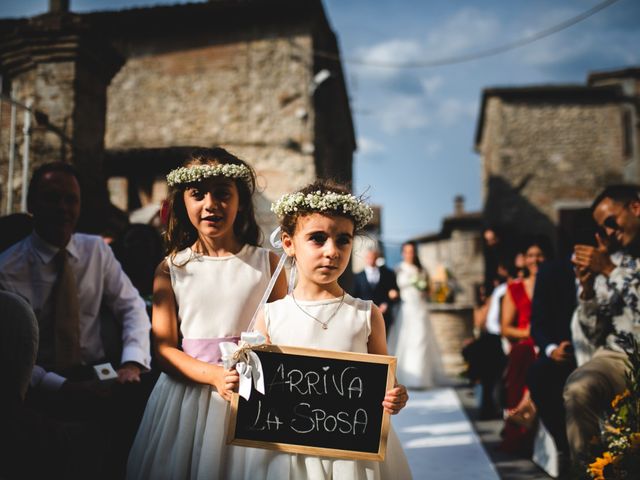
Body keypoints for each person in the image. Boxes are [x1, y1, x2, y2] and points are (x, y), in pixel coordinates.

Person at [126, 147, 287, 479]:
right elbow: (164, 349)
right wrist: (214, 375)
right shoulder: (172, 269)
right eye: (198, 194)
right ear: (183, 202)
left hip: (251, 398)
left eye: (223, 194)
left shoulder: (268, 265)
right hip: (187, 402)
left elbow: (287, 335)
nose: (211, 204)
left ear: (240, 201)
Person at [250, 180, 412, 479]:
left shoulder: (366, 314)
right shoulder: (271, 316)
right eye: (317, 238)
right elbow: (257, 392)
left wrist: (396, 396)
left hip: (352, 455)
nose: (332, 251)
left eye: (343, 240)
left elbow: (387, 382)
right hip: (290, 456)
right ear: (288, 244)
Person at [0, 162, 152, 477]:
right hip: (39, 385)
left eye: (71, 200)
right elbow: (9, 352)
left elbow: (131, 307)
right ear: (31, 205)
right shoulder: (7, 267)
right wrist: (62, 387)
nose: (63, 208)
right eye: (52, 198)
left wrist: (132, 362)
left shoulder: (96, 250)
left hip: (97, 376)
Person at [566, 184, 640, 463]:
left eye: (612, 222)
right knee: (578, 388)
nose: (609, 232)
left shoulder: (611, 263)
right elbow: (593, 333)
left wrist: (610, 270)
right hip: (619, 354)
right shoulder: (616, 257)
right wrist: (587, 292)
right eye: (603, 227)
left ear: (635, 207)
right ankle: (590, 471)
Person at [526, 256, 577, 462]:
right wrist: (553, 349)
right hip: (562, 351)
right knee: (538, 374)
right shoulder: (553, 272)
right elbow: (537, 324)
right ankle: (564, 446)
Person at [499, 239, 547, 454]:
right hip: (525, 343)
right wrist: (529, 332)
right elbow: (506, 328)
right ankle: (517, 434)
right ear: (524, 259)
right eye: (530, 255)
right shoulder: (515, 288)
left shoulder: (554, 283)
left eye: (539, 254)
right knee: (522, 354)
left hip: (548, 342)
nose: (535, 259)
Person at [393, 241, 446, 389]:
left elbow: (429, 291)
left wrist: (424, 290)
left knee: (421, 340)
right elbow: (393, 289)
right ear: (403, 253)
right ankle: (406, 377)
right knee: (405, 341)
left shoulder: (421, 270)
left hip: (419, 308)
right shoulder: (398, 269)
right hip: (405, 309)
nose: (409, 254)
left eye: (412, 251)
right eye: (407, 251)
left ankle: (421, 378)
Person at [352, 247, 399, 337]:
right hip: (364, 315)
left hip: (384, 316)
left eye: (373, 257)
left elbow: (394, 292)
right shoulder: (358, 276)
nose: (371, 259)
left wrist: (386, 304)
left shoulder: (388, 274)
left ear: (377, 258)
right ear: (366, 258)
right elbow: (355, 296)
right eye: (369, 257)